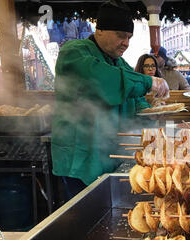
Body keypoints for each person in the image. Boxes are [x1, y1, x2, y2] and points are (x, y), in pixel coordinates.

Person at [51, 1, 169, 201]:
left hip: (110, 155)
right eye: (121, 35)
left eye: (129, 37)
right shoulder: (74, 52)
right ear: (100, 30)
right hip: (81, 159)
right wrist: (149, 82)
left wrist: (150, 112)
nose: (126, 43)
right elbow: (104, 81)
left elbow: (135, 100)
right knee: (87, 218)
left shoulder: (119, 62)